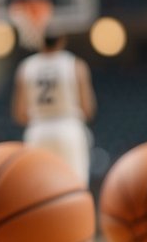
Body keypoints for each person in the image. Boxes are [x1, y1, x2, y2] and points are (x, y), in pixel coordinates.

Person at [11, 32, 95, 186]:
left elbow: (20, 114)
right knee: (76, 184)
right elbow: (88, 109)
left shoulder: (26, 67)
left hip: (38, 130)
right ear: (62, 39)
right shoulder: (75, 64)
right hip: (68, 128)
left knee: (39, 188)